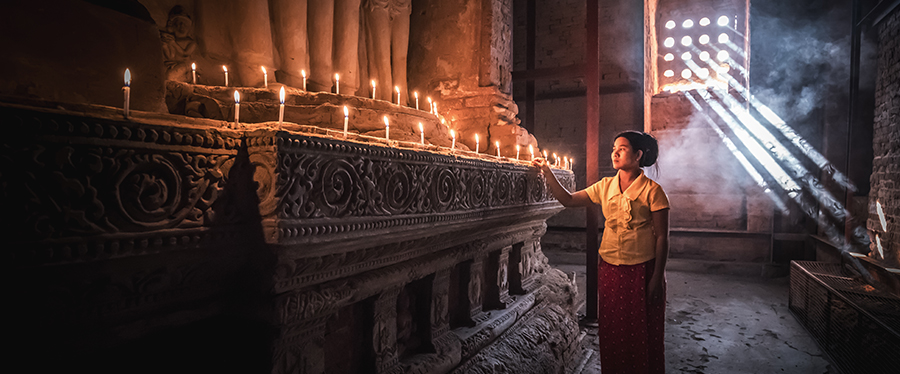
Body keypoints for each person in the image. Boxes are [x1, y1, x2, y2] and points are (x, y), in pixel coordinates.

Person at [533, 130, 669, 374]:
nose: (615, 152)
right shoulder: (605, 186)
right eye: (614, 147)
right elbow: (569, 200)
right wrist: (547, 171)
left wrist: (657, 278)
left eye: (623, 148)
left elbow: (662, 238)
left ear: (638, 155)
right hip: (610, 270)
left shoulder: (653, 191)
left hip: (641, 271)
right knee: (614, 331)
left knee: (640, 331)